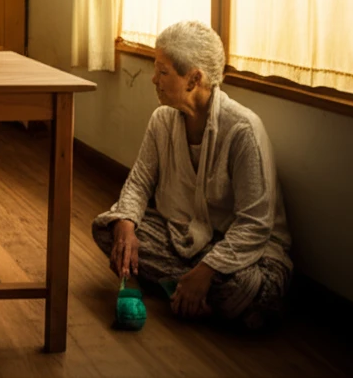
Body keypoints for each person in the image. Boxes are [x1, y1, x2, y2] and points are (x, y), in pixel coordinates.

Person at [92, 21, 292, 330]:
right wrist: (127, 225)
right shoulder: (162, 120)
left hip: (246, 254)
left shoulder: (243, 130)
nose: (153, 79)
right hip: (187, 237)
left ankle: (185, 287)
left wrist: (207, 270)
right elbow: (139, 182)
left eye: (163, 71)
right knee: (109, 230)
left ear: (194, 78)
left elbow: (255, 226)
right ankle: (194, 295)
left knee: (252, 289)